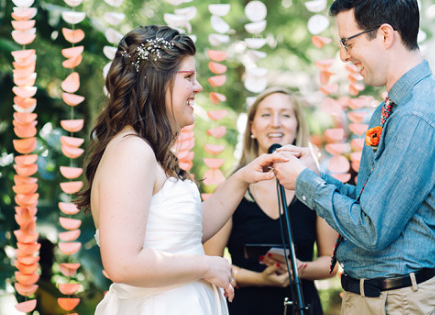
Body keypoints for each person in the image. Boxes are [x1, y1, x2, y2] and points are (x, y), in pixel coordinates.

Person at [273, 0, 435, 314]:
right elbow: (369, 204)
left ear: (386, 35)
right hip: (376, 298)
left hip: (399, 301)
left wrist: (305, 184)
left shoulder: (418, 114)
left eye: (349, 42)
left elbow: (371, 229)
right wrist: (314, 174)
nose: (344, 56)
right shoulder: (391, 107)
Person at [74, 25, 286, 315]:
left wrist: (243, 178)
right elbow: (121, 263)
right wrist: (207, 265)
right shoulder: (131, 151)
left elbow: (187, 233)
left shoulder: (150, 151)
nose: (198, 87)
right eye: (188, 78)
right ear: (156, 82)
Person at [204, 87, 338, 315]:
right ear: (252, 127)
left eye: (285, 115)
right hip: (244, 307)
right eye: (266, 114)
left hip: (302, 306)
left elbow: (330, 263)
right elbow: (209, 263)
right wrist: (259, 279)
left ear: (297, 126)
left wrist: (298, 269)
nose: (276, 123)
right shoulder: (231, 189)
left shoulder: (318, 188)